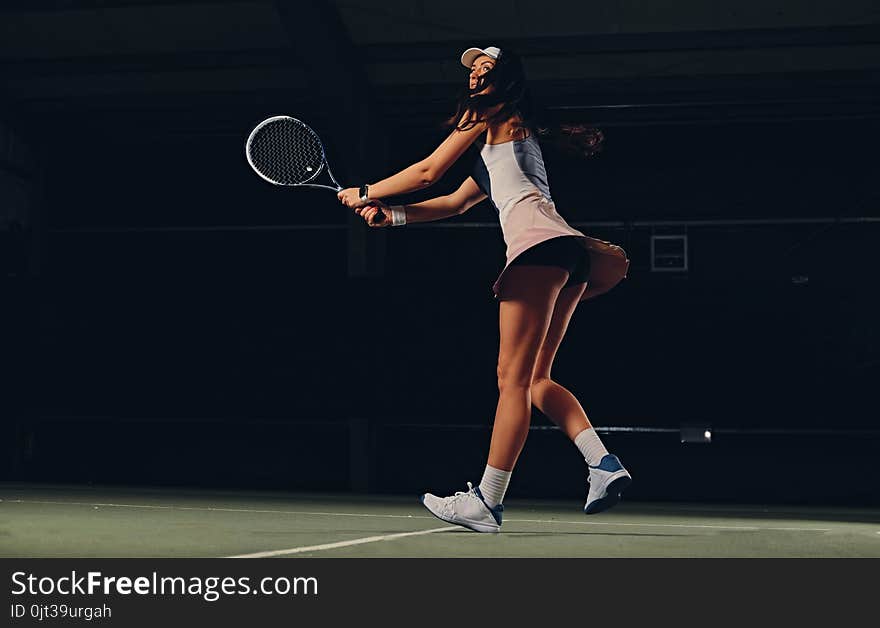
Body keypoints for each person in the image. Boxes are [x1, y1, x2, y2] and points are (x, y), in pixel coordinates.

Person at [338, 45, 631, 533]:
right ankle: (602, 464)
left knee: (510, 382)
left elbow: (428, 171)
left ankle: (487, 501)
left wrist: (368, 191)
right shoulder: (505, 136)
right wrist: (394, 216)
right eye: (473, 69)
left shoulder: (489, 113)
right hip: (566, 254)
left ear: (505, 78)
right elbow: (453, 201)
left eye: (486, 68)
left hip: (538, 249)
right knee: (535, 379)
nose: (476, 75)